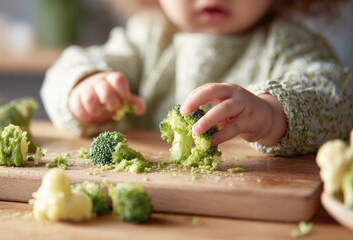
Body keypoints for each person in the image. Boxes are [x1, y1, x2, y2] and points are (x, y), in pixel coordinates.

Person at [41, 0, 352, 156]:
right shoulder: (146, 37)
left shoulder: (288, 43)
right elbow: (68, 67)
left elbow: (336, 94)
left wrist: (272, 113)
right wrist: (84, 87)